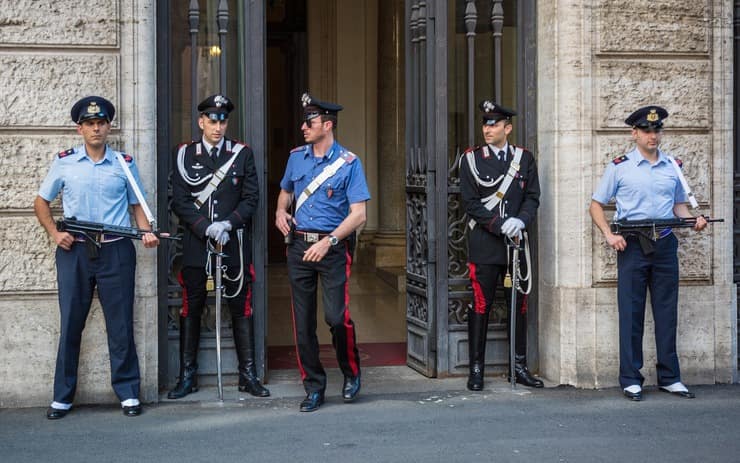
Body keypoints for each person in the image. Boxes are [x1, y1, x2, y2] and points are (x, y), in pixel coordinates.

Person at [34, 96, 160, 419]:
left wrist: (146, 232)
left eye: (101, 123)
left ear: (108, 126)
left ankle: (128, 392)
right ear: (80, 129)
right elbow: (41, 202)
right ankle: (62, 396)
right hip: (74, 250)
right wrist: (54, 233)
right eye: (90, 124)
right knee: (71, 324)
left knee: (120, 325)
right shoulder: (64, 162)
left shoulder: (124, 163)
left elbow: (137, 207)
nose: (96, 128)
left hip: (116, 248)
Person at [590, 106, 707, 401]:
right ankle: (631, 378)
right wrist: (609, 234)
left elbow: (679, 206)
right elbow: (596, 204)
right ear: (634, 133)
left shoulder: (673, 166)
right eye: (646, 130)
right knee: (631, 312)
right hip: (632, 244)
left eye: (656, 130)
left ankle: (670, 377)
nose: (653, 135)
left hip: (665, 243)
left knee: (667, 312)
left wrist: (694, 220)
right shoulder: (620, 166)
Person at [274, 93, 370, 412]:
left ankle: (351, 373)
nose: (303, 127)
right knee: (302, 323)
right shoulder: (296, 158)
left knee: (336, 317)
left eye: (310, 122)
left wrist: (328, 242)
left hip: (331, 247)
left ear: (327, 125)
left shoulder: (349, 163)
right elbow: (286, 191)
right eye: (305, 121)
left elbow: (359, 215)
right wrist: (279, 212)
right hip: (300, 245)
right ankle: (313, 387)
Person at [169, 94, 269, 399]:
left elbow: (251, 198)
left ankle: (247, 374)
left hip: (233, 243)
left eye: (222, 120)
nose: (218, 126)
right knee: (192, 305)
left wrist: (228, 224)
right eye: (212, 120)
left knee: (241, 305)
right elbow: (179, 200)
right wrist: (204, 227)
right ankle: (188, 377)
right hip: (198, 244)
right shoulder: (185, 154)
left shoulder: (242, 154)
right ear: (201, 121)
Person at [458, 100, 543, 391]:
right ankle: (477, 368)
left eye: (494, 124)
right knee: (481, 304)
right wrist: (498, 224)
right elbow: (469, 203)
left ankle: (517, 366)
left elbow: (533, 196)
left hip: (516, 243)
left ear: (507, 128)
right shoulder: (471, 159)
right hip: (485, 242)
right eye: (485, 123)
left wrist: (520, 220)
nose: (488, 129)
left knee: (517, 305)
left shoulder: (524, 159)